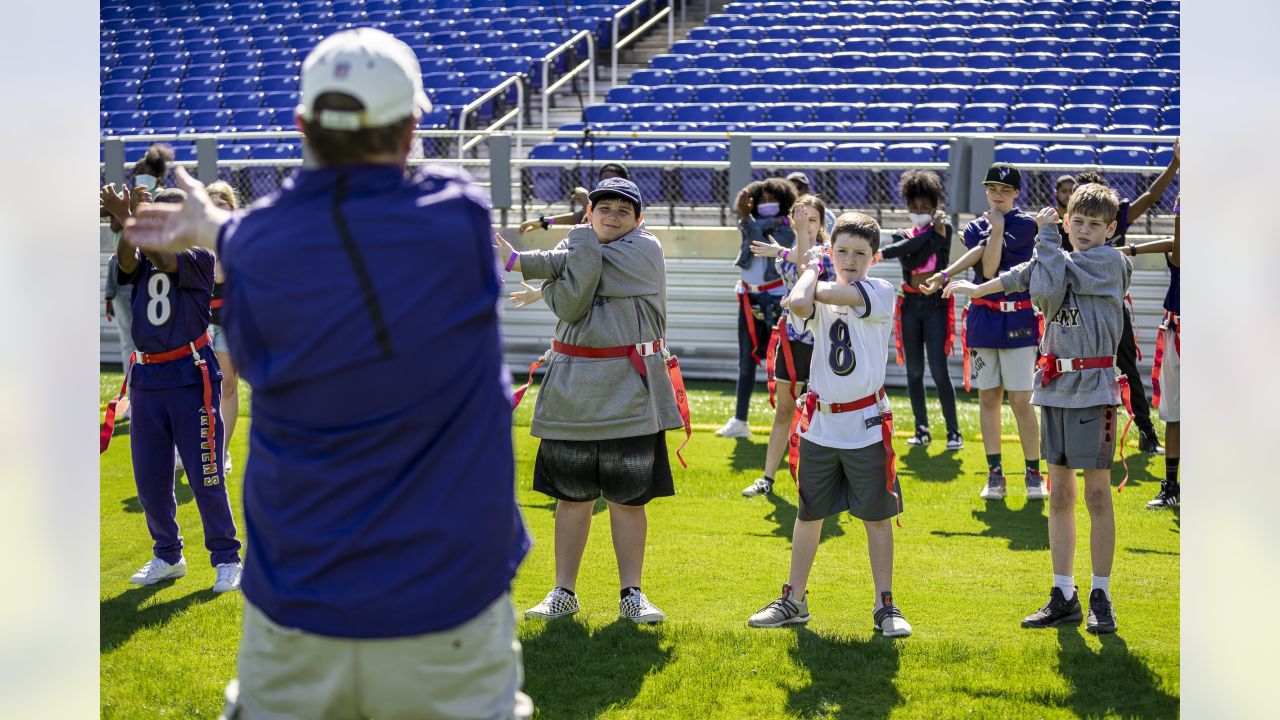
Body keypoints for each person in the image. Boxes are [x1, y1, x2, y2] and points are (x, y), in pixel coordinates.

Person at [126, 28, 533, 719]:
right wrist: (226, 227)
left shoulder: (266, 243)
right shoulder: (455, 216)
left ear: (301, 127)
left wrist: (219, 229)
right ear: (410, 130)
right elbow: (365, 218)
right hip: (448, 606)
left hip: (298, 604)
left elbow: (286, 254)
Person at [945, 183, 1133, 634]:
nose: (1085, 231)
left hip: (1094, 387)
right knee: (1062, 495)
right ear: (1067, 221)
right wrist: (976, 287)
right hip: (1054, 388)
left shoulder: (1110, 261)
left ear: (1110, 230)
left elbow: (1044, 292)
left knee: (1097, 495)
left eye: (1095, 225)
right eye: (1077, 222)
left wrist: (1046, 239)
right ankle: (1063, 592)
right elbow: (1019, 277)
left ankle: (1101, 594)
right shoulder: (1057, 259)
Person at [498, 177, 683, 625]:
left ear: (640, 219)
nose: (612, 216)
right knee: (572, 498)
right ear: (589, 211)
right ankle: (564, 592)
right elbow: (571, 304)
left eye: (623, 210)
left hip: (630, 393)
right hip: (571, 393)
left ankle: (631, 594)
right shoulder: (577, 248)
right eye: (604, 208)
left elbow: (573, 287)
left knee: (628, 500)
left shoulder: (646, 250)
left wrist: (524, 261)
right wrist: (554, 267)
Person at [746, 212, 911, 637]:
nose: (850, 259)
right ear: (830, 251)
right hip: (820, 423)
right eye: (841, 251)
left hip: (866, 423)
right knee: (809, 513)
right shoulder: (818, 288)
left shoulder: (879, 288)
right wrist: (811, 267)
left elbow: (806, 297)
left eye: (860, 253)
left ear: (875, 258)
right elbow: (801, 306)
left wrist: (809, 271)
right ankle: (793, 599)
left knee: (876, 517)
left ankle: (884, 604)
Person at [109, 186, 243, 596]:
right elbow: (129, 260)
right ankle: (168, 555)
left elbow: (161, 257)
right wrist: (127, 223)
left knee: (206, 474)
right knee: (150, 480)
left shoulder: (198, 257)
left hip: (190, 377)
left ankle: (227, 558)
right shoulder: (141, 253)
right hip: (148, 379)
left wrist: (131, 216)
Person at [1071, 138, 1180, 455]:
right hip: (1077, 311)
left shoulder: (1116, 215)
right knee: (1078, 369)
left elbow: (1151, 196)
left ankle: (1146, 432)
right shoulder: (1071, 226)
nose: (1087, 223)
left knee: (1128, 367)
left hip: (1111, 307)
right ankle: (1080, 436)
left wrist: (1175, 164)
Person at [959, 163, 1045, 502]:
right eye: (993, 188)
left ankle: (1034, 473)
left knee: (1022, 401)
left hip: (1019, 321)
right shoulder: (974, 227)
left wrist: (997, 230)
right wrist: (993, 230)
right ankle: (995, 474)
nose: (998, 195)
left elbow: (993, 270)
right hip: (984, 320)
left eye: (1005, 190)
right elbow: (988, 268)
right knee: (988, 398)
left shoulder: (1024, 224)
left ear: (1016, 194)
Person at [740, 194, 833, 497]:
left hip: (821, 344)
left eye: (812, 220)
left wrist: (788, 244)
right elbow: (798, 262)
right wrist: (788, 244)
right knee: (784, 409)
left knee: (822, 412)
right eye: (800, 217)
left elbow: (810, 264)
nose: (805, 224)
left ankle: (823, 479)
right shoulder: (784, 257)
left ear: (821, 224)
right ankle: (768, 478)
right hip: (792, 342)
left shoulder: (830, 253)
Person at [879, 170, 962, 450]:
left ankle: (953, 432)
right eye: (914, 207)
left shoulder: (946, 230)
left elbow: (934, 259)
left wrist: (938, 237)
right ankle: (921, 428)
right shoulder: (901, 235)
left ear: (935, 206)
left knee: (939, 370)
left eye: (925, 208)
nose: (919, 212)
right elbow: (913, 260)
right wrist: (934, 238)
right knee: (913, 371)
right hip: (911, 305)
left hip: (936, 304)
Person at [715, 178, 797, 439]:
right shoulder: (748, 222)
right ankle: (740, 419)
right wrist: (745, 217)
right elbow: (751, 238)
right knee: (746, 360)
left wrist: (745, 217)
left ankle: (792, 420)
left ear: (783, 202)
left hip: (774, 299)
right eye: (760, 200)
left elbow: (761, 244)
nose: (765, 205)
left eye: (771, 200)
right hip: (748, 297)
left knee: (785, 360)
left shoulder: (786, 227)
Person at [101, 144, 175, 421]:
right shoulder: (128, 197)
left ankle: (150, 396)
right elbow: (115, 226)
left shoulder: (163, 199)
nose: (138, 175)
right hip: (122, 272)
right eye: (136, 171)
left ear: (156, 175)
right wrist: (125, 206)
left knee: (146, 339)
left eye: (144, 171)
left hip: (147, 274)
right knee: (126, 339)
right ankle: (131, 398)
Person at [1119, 200, 1179, 509]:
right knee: (1174, 413)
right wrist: (1132, 250)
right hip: (1178, 330)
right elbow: (1177, 247)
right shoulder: (1181, 243)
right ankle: (1171, 485)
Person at [204, 181, 241, 475]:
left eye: (223, 207)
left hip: (229, 322)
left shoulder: (239, 241)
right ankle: (196, 448)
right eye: (212, 206)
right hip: (199, 324)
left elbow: (221, 277)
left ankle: (222, 451)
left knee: (227, 387)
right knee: (198, 390)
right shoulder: (195, 241)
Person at [518, 162, 630, 234]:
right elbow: (579, 218)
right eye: (604, 179)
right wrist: (544, 222)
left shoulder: (629, 205)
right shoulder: (600, 202)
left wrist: (585, 200)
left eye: (613, 179)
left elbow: (592, 225)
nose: (608, 182)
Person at [786, 171, 837, 235]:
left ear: (807, 188)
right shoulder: (783, 211)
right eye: (791, 188)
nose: (795, 191)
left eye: (799, 187)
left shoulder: (825, 213)